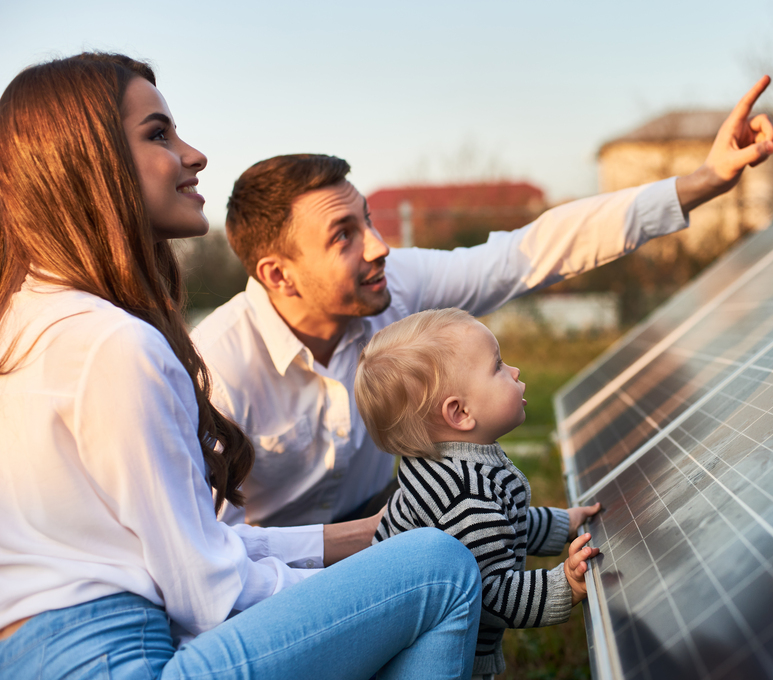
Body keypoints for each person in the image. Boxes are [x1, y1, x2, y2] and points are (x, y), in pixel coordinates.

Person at [0, 52, 482, 679]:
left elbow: (192, 543)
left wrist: (373, 537)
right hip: (123, 661)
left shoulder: (25, 322)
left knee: (412, 554)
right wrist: (380, 585)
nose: (194, 155)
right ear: (88, 164)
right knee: (439, 569)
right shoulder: (113, 345)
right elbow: (209, 593)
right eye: (158, 134)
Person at [192, 77, 773, 529]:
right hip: (274, 575)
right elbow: (211, 554)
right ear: (279, 275)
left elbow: (527, 253)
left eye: (367, 219)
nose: (378, 246)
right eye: (343, 235)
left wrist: (703, 181)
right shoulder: (217, 369)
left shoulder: (391, 284)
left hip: (383, 518)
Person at [354, 307, 603, 678]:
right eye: (498, 366)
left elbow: (503, 526)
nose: (514, 371)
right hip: (440, 660)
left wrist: (562, 524)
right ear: (460, 413)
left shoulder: (446, 466)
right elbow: (491, 594)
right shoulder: (464, 496)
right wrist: (563, 585)